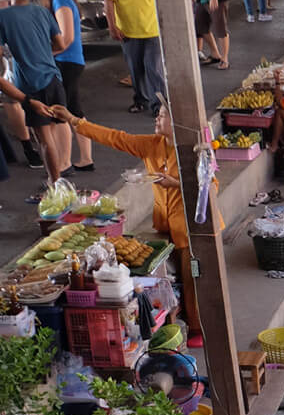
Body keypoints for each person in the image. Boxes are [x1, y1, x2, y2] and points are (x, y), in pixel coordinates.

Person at [48, 98, 214, 346]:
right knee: (177, 276)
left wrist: (176, 184)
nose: (157, 119)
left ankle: (198, 328)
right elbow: (116, 137)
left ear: (178, 122)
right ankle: (180, 321)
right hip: (168, 223)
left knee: (194, 279)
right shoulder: (152, 145)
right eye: (157, 115)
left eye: (162, 116)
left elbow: (211, 187)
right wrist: (74, 120)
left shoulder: (196, 150)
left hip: (194, 227)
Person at [0, 0, 72, 185]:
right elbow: (60, 44)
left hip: (31, 85)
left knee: (44, 139)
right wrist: (41, 53)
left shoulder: (4, 17)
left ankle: (55, 183)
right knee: (51, 132)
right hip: (53, 78)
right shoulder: (42, 11)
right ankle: (58, 179)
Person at [26, 0, 92, 173]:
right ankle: (84, 159)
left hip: (67, 61)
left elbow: (67, 37)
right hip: (67, 60)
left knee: (64, 113)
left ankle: (66, 162)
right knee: (74, 109)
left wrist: (47, 55)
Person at [102, 0, 167, 109]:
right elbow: (109, 0)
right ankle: (141, 100)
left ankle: (159, 105)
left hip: (152, 28)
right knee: (136, 69)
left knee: (154, 68)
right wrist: (112, 26)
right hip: (128, 31)